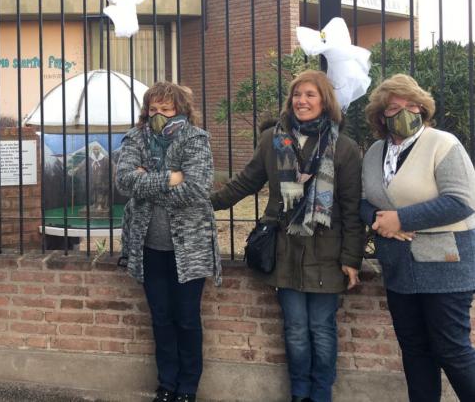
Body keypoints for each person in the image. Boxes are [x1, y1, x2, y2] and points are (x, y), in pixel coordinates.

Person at [210, 70, 364, 402]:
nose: (302, 101)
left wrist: (352, 259)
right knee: (295, 331)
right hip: (286, 252)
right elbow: (244, 183)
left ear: (325, 101)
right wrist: (206, 204)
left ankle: (320, 394)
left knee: (321, 332)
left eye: (310, 94)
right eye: (297, 94)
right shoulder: (273, 141)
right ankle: (300, 394)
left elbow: (352, 209)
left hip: (327, 255)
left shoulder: (345, 149)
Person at [361, 74, 475, 402]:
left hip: (446, 266)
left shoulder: (443, 143)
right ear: (381, 116)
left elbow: (461, 200)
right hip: (399, 269)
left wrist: (402, 218)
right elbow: (362, 200)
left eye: (412, 105)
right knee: (414, 351)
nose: (405, 112)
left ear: (422, 108)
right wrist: (378, 219)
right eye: (394, 107)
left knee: (452, 350)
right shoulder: (374, 153)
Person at [115, 81, 221, 402]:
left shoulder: (195, 139)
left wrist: (147, 178)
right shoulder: (135, 138)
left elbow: (198, 188)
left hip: (189, 249)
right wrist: (171, 177)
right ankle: (167, 384)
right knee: (160, 318)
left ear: (181, 110)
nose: (158, 114)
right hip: (149, 249)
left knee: (187, 319)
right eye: (153, 109)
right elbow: (124, 180)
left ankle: (188, 387)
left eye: (166, 108)